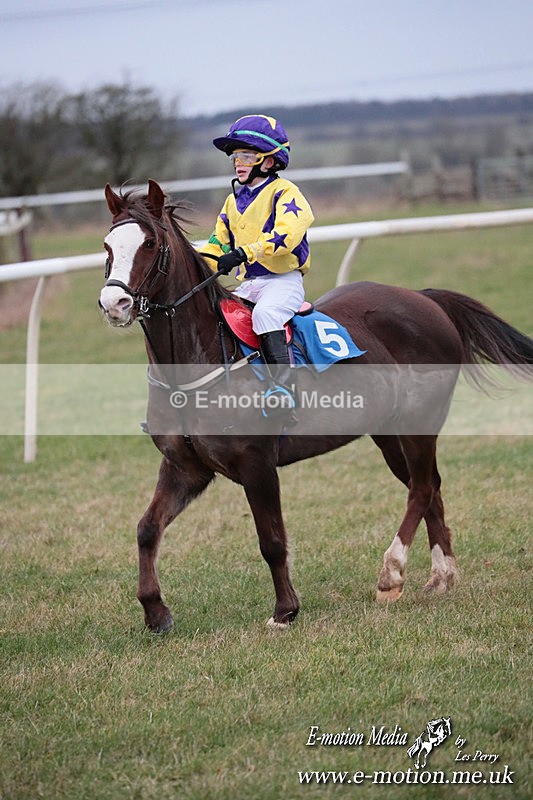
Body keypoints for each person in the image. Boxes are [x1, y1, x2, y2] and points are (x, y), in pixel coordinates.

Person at [200, 114, 314, 421]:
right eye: (236, 157)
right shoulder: (232, 201)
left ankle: (285, 393)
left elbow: (287, 236)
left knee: (265, 315)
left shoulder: (285, 193)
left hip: (283, 281)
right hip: (250, 285)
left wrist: (244, 253)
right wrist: (196, 266)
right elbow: (216, 243)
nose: (239, 163)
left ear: (269, 161)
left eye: (247, 156)